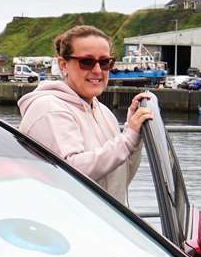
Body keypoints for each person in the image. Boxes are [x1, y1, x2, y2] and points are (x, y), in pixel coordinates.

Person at [16, 24, 152, 204]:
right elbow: (71, 170)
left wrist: (134, 133)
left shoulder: (104, 112)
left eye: (105, 62)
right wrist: (127, 139)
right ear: (63, 65)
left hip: (103, 222)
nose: (97, 70)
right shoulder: (49, 108)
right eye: (86, 62)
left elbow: (118, 180)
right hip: (68, 226)